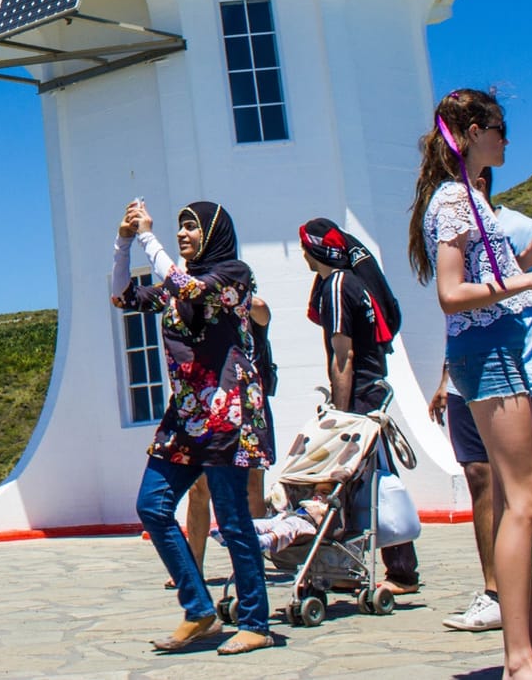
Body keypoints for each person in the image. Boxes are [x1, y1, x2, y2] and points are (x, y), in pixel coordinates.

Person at [408, 89, 532, 680]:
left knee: (520, 500)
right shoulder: (457, 199)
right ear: (477, 130)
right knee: (528, 499)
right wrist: (529, 278)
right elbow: (452, 296)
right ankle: (518, 659)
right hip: (489, 356)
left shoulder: (465, 197)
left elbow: (482, 282)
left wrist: (525, 262)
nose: (508, 141)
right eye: (502, 130)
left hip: (493, 350)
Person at [430, 174, 532, 632]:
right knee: (481, 480)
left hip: (524, 376)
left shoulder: (522, 228)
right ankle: (495, 594)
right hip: (470, 378)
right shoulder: (452, 230)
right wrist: (446, 378)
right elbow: (464, 308)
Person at [110, 199, 274, 655]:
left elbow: (190, 288)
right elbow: (123, 295)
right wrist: (124, 241)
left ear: (213, 233)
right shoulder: (177, 285)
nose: (183, 234)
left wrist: (148, 236)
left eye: (191, 227)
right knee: (153, 505)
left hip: (227, 411)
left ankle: (256, 622)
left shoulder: (234, 275)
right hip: (185, 416)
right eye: (179, 227)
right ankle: (199, 608)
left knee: (234, 518)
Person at [298, 218, 422, 595]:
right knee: (374, 479)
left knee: (352, 482)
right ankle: (395, 568)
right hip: (372, 391)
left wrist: (338, 416)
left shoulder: (336, 286)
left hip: (359, 397)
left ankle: (386, 571)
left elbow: (343, 355)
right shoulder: (353, 281)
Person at [179, 290, 270, 587]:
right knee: (199, 489)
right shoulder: (201, 319)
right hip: (209, 405)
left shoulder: (243, 308)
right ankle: (195, 566)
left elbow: (262, 310)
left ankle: (255, 565)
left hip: (248, 404)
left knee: (253, 486)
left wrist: (228, 295)